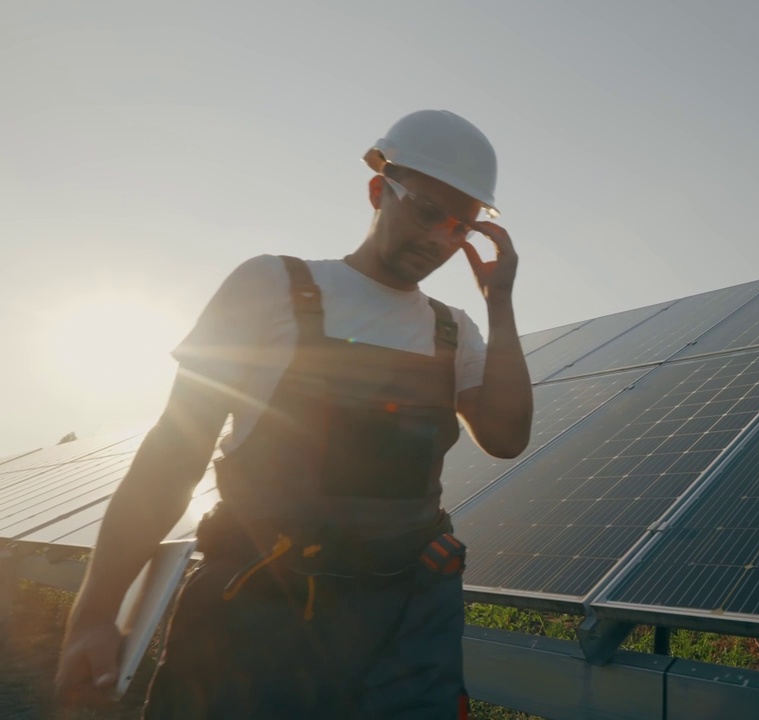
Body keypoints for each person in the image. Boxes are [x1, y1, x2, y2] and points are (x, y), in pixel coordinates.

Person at [54, 110, 533, 718]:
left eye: (460, 225)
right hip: (257, 617)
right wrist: (95, 615)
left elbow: (507, 436)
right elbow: (173, 456)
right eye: (426, 211)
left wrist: (500, 302)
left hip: (405, 628)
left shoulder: (451, 330)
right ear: (378, 191)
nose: (442, 239)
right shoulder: (271, 286)